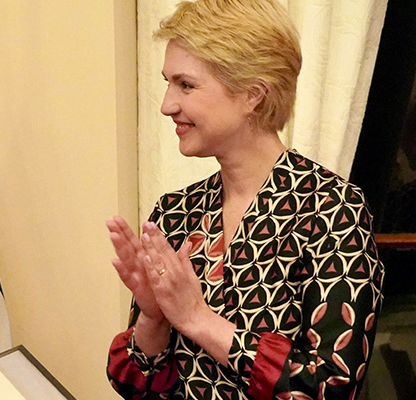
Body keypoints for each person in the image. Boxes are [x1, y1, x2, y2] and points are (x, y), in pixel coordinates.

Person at [105, 0, 384, 399]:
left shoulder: (331, 209)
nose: (167, 105)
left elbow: (329, 386)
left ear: (252, 94)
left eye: (186, 84)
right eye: (168, 82)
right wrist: (154, 319)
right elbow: (137, 386)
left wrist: (199, 319)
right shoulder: (176, 212)